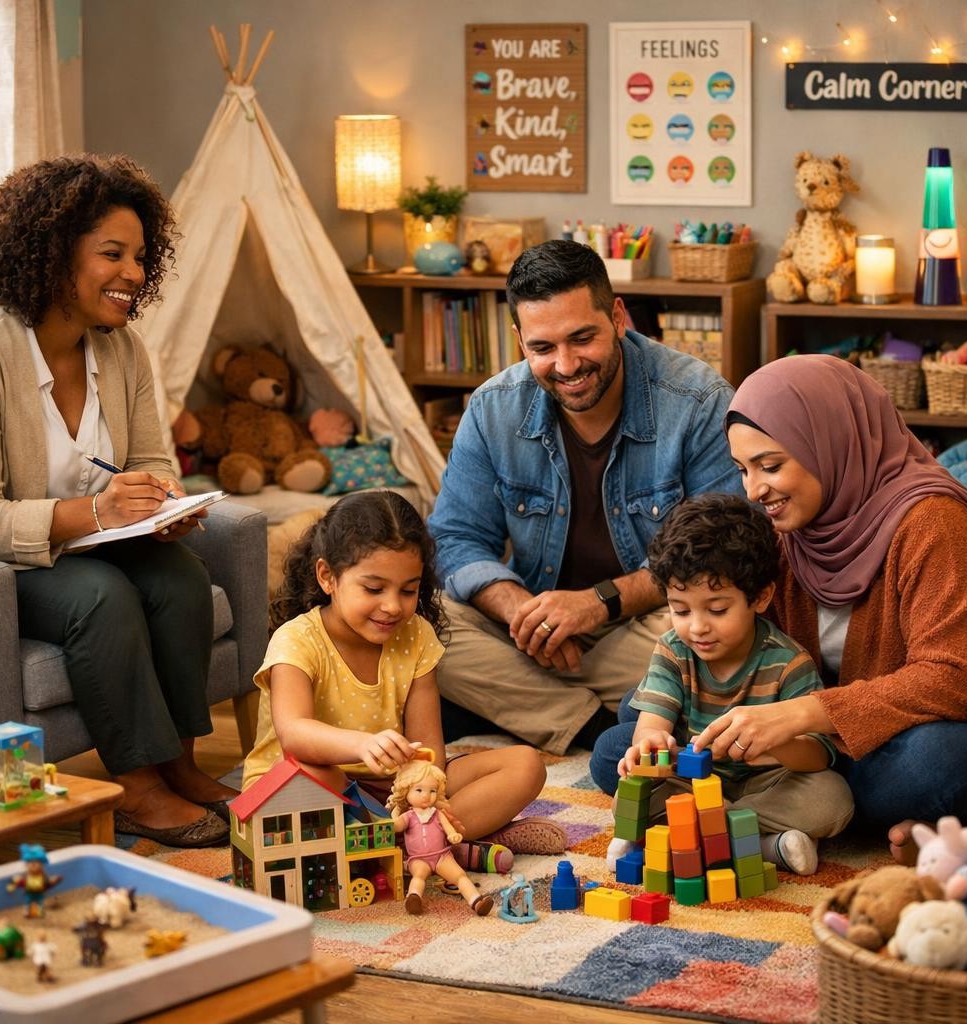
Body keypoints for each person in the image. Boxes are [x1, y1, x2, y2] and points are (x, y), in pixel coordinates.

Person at [0, 155, 234, 847]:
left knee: (182, 576)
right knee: (101, 595)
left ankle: (179, 763)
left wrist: (161, 505)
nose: (134, 273)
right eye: (112, 254)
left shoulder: (122, 350)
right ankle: (132, 787)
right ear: (52, 253)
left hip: (103, 542)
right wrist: (97, 512)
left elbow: (153, 461)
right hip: (24, 562)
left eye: (139, 256)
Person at [698, 354, 967, 863]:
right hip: (828, 745)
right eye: (743, 470)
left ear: (831, 444)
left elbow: (953, 681)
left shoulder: (937, 523)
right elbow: (756, 647)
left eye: (771, 465)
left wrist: (799, 714)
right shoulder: (793, 531)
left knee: (930, 766)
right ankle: (925, 826)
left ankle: (839, 808)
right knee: (630, 732)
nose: (755, 491)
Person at [428, 240, 741, 755]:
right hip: (542, 637)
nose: (567, 365)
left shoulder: (699, 402)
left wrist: (598, 603)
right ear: (519, 340)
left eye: (582, 338)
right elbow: (456, 539)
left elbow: (721, 554)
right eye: (542, 348)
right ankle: (599, 726)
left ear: (618, 317)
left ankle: (522, 707)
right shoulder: (492, 409)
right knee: (424, 627)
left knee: (712, 642)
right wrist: (525, 614)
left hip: (650, 624)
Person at [244, 490, 563, 862]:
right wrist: (361, 745)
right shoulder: (297, 640)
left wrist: (418, 783)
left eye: (408, 590)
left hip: (394, 791)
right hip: (304, 786)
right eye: (374, 589)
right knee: (312, 771)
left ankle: (414, 843)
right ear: (327, 576)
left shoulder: (415, 635)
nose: (393, 606)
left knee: (525, 765)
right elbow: (294, 734)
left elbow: (429, 751)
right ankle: (447, 845)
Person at [594, 493, 854, 875]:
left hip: (765, 786)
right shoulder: (673, 649)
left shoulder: (788, 662)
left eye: (717, 610)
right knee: (626, 791)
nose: (697, 626)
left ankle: (697, 835)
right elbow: (652, 724)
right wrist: (650, 745)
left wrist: (776, 741)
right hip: (691, 782)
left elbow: (817, 756)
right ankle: (765, 847)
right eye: (680, 610)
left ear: (761, 597)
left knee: (834, 800)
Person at [388, 758, 494, 916]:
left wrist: (453, 835)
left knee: (459, 876)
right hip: (418, 858)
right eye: (419, 790)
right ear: (406, 792)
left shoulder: (437, 814)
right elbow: (396, 826)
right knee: (418, 876)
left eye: (432, 791)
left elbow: (448, 829)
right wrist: (395, 809)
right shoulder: (409, 816)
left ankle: (476, 901)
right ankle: (413, 898)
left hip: (442, 856)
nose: (426, 796)